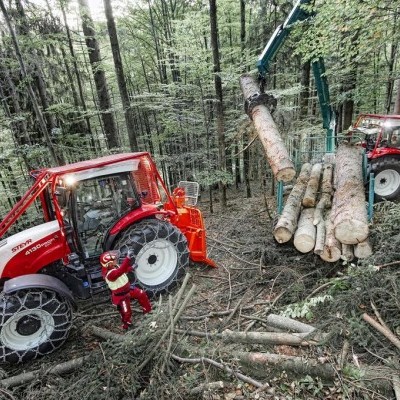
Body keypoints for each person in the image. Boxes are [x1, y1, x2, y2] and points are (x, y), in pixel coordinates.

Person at [100, 250, 152, 330]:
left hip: (128, 289)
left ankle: (148, 311)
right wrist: (127, 258)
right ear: (109, 264)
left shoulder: (114, 266)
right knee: (126, 312)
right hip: (121, 296)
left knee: (141, 294)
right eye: (114, 260)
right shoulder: (110, 274)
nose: (116, 260)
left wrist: (131, 268)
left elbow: (122, 270)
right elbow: (120, 271)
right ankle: (127, 325)